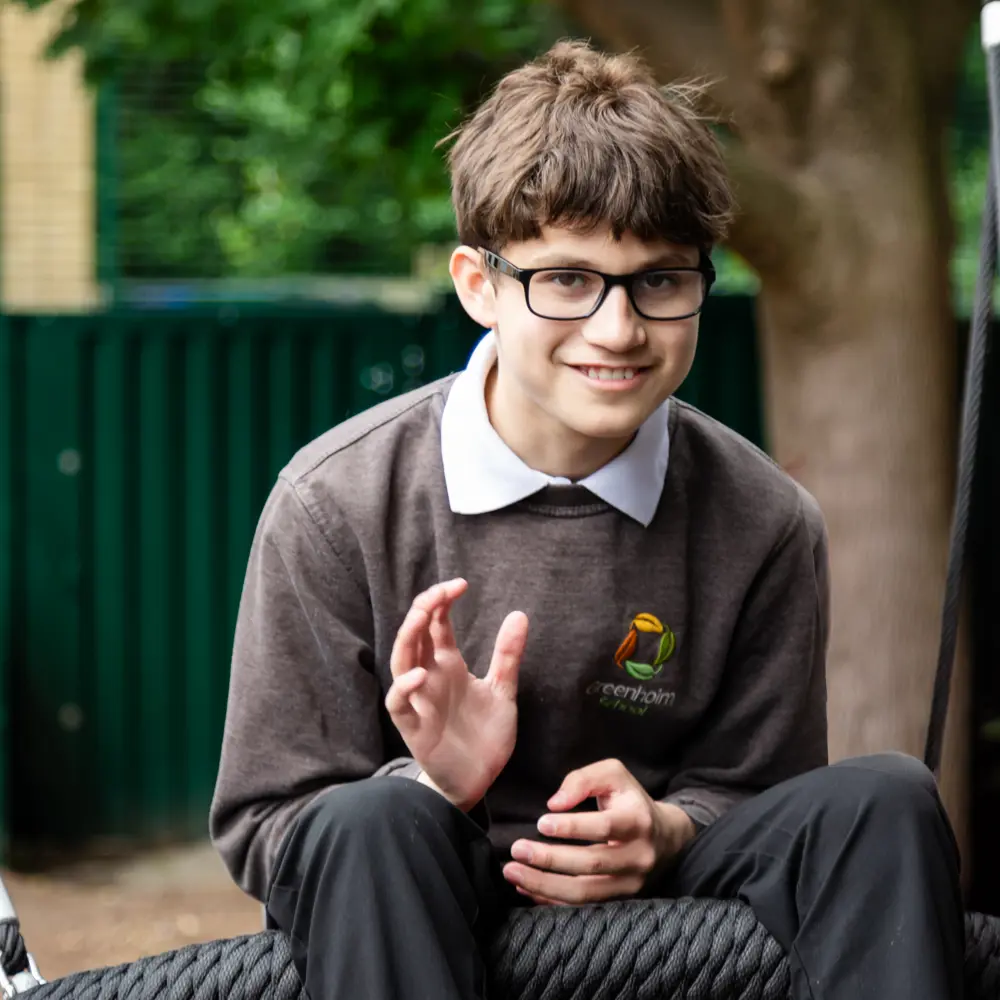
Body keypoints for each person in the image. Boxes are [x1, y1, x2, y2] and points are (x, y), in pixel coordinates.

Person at [209, 39, 965, 1000]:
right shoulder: (334, 504)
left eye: (660, 279)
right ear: (479, 284)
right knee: (368, 824)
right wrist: (438, 784)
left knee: (886, 799)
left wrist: (666, 829)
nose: (618, 328)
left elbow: (758, 790)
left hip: (676, 895)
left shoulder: (764, 519)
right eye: (566, 279)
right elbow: (265, 824)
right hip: (420, 901)